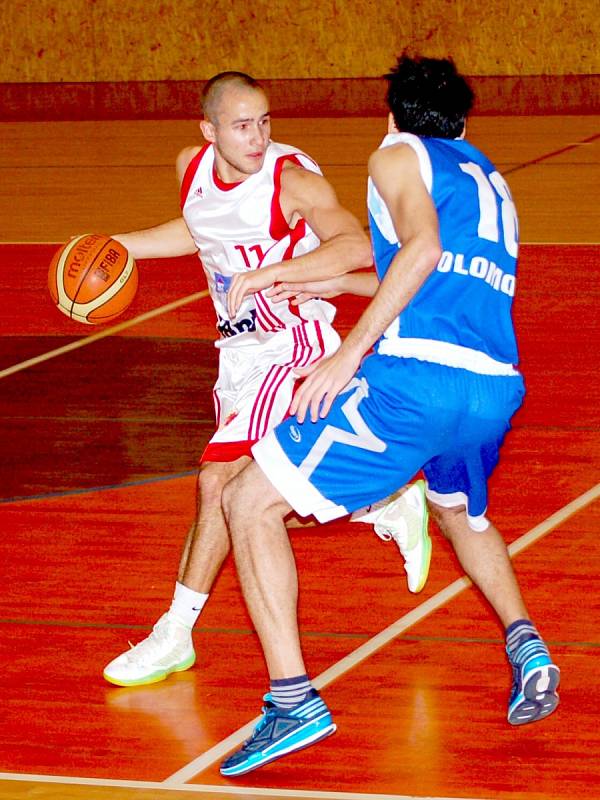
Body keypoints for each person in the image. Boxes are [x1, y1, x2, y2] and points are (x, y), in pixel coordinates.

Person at [218, 55, 560, 777]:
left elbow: (423, 250)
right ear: (461, 120)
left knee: (247, 498)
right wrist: (310, 278)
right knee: (460, 513)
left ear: (394, 114)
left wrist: (345, 354)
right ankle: (526, 642)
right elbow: (426, 270)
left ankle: (291, 701)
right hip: (493, 390)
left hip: (417, 385)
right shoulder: (483, 178)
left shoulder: (395, 153)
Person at [102, 71, 431, 688]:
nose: (258, 137)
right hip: (238, 355)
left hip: (293, 340)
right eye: (242, 125)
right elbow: (201, 233)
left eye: (265, 122)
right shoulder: (191, 168)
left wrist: (279, 270)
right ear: (210, 131)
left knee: (218, 480)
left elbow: (356, 247)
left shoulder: (293, 181)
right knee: (267, 482)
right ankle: (385, 500)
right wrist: (120, 246)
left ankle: (174, 633)